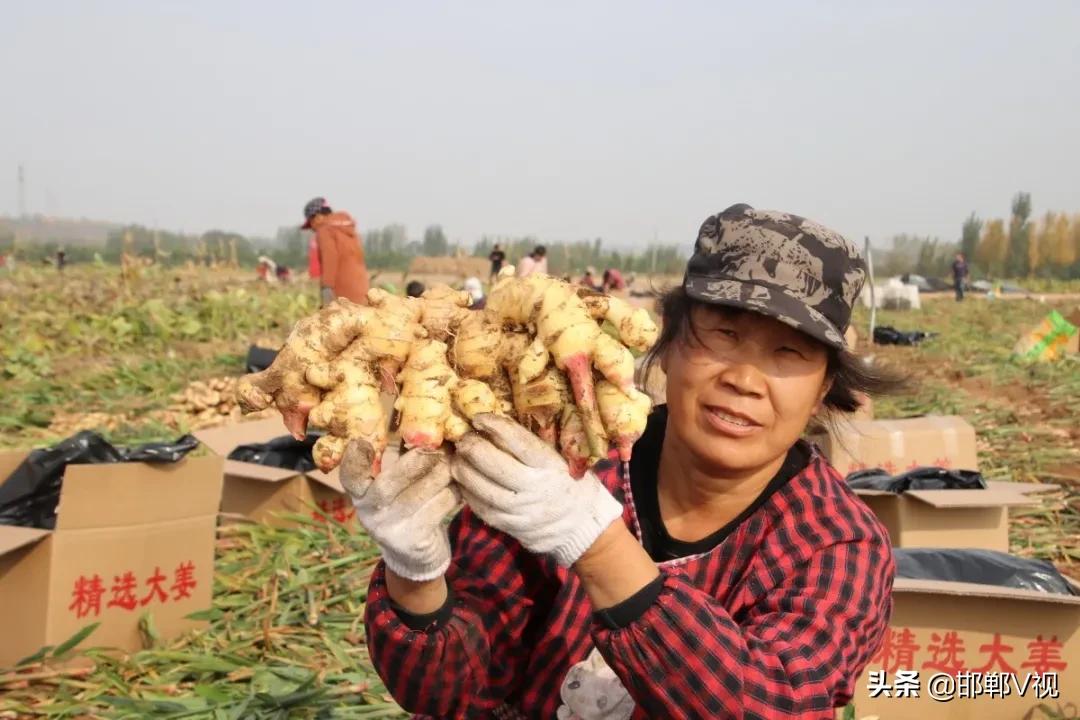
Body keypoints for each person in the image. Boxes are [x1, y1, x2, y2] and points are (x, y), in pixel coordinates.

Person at [343, 203, 900, 718]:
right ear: (671, 344)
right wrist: (415, 575)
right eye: (724, 335)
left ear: (825, 386)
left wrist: (594, 541)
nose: (744, 381)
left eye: (788, 353)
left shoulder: (835, 542)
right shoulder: (562, 462)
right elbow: (449, 693)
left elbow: (773, 704)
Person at [302, 197, 370, 306]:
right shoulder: (349, 229)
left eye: (311, 223)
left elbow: (330, 258)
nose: (312, 228)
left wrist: (327, 287)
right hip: (362, 290)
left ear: (318, 217)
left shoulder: (324, 230)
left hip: (343, 294)